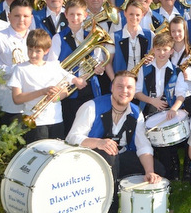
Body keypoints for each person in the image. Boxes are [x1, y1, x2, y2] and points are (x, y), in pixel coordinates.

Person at [66, 70, 165, 213]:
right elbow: (72, 137)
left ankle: (140, 205)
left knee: (158, 170)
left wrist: (150, 171)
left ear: (135, 90)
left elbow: (143, 145)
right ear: (112, 87)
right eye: (120, 86)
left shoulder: (137, 112)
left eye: (129, 87)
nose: (124, 91)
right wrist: (98, 143)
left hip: (121, 156)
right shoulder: (91, 107)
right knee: (109, 155)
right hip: (92, 160)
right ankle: (109, 205)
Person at [8, 29, 86, 143]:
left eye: (38, 51)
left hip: (56, 120)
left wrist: (57, 97)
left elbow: (65, 89)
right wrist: (42, 92)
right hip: (35, 122)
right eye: (30, 50)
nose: (33, 54)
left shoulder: (54, 66)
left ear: (46, 51)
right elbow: (17, 98)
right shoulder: (20, 69)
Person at [134, 32, 187, 180]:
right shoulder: (144, 69)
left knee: (168, 143)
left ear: (171, 51)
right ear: (153, 50)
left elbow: (181, 95)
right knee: (148, 141)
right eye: (158, 49)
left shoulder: (177, 71)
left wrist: (174, 109)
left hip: (168, 109)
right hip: (148, 108)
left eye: (165, 49)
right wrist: (153, 101)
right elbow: (137, 93)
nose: (161, 53)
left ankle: (172, 169)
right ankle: (153, 167)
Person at [47, 0, 105, 135]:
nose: (75, 18)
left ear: (85, 15)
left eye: (79, 14)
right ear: (65, 15)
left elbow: (98, 60)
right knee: (70, 125)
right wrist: (74, 79)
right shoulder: (58, 38)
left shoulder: (92, 36)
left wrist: (98, 69)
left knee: (90, 126)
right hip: (68, 90)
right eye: (71, 14)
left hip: (90, 88)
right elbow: (52, 65)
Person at [0, 0, 33, 126]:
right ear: (9, 16)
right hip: (10, 104)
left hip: (34, 103)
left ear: (31, 17)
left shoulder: (36, 37)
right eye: (17, 15)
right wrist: (15, 70)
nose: (22, 19)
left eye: (25, 16)